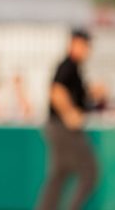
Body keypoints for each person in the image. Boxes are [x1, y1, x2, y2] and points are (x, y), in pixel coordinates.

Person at [36, 29, 98, 210]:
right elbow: (56, 91)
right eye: (84, 45)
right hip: (63, 128)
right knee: (90, 172)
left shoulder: (75, 68)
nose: (87, 49)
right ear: (74, 44)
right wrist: (70, 113)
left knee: (59, 174)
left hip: (57, 128)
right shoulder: (68, 65)